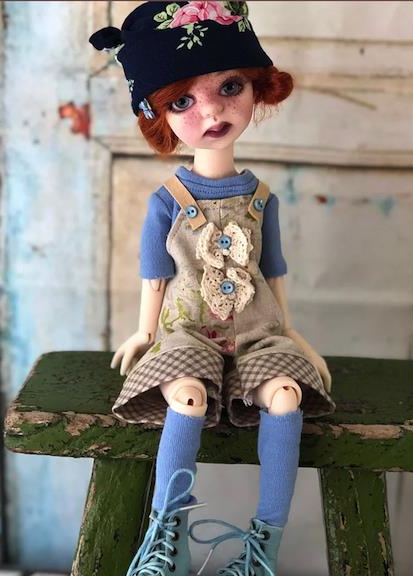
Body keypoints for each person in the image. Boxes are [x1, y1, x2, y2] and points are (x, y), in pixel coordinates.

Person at [90, 3, 335, 575]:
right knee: (187, 398)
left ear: (256, 87)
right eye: (182, 102)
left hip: (258, 332)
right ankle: (165, 539)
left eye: (229, 87)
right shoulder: (168, 201)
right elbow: (155, 272)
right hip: (185, 330)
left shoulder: (261, 198)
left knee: (286, 396)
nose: (212, 111)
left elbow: (273, 270)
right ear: (159, 114)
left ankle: (263, 548)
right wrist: (145, 332)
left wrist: (293, 332)